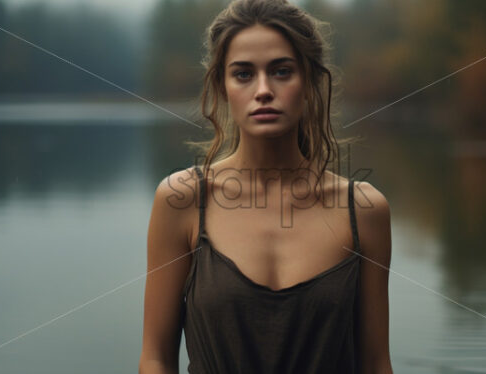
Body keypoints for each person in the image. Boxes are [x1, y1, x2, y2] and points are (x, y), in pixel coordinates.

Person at [139, 0, 392, 373]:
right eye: (243, 74)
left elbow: (376, 363)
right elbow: (155, 358)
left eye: (281, 71)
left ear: (308, 82)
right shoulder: (183, 201)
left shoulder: (364, 211)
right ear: (222, 87)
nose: (263, 90)